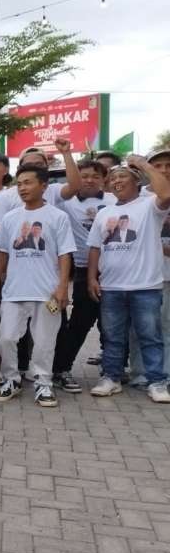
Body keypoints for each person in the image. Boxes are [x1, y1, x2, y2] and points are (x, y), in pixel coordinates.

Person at [0, 166, 75, 407]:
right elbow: (2, 253)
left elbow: (65, 254)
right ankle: (11, 379)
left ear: (44, 186)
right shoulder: (10, 218)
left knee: (45, 341)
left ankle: (43, 383)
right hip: (14, 290)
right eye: (19, 183)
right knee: (5, 338)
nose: (23, 188)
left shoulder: (57, 216)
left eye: (28, 182)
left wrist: (62, 287)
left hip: (46, 291)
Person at [87, 156, 170, 402]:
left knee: (150, 336)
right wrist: (92, 277)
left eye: (122, 176)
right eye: (112, 178)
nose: (116, 181)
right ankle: (111, 377)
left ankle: (157, 381)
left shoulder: (149, 206)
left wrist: (144, 165)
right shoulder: (105, 213)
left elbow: (165, 193)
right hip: (111, 286)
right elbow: (94, 247)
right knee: (113, 337)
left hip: (145, 286)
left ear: (137, 181)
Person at [50, 158, 115, 392]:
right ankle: (61, 369)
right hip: (79, 268)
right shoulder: (63, 202)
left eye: (95, 176)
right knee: (80, 322)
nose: (89, 180)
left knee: (113, 324)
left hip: (113, 271)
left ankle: (113, 372)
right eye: (84, 175)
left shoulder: (114, 201)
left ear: (104, 180)